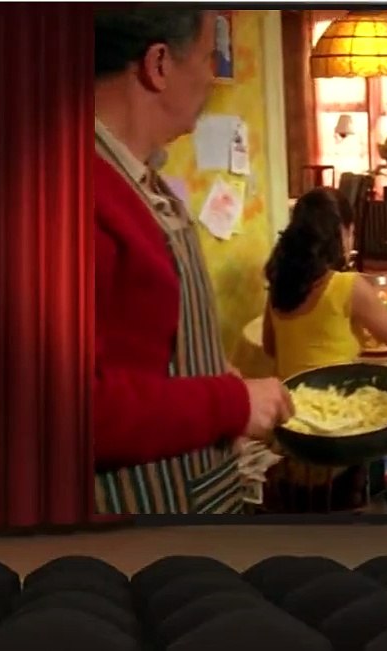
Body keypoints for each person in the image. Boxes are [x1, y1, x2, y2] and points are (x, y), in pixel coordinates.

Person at [94, 8, 294, 514]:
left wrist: (211, 371)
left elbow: (136, 343)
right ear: (159, 64)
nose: (212, 78)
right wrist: (232, 403)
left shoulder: (136, 179)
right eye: (209, 58)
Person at [263, 187, 387, 514]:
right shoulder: (346, 286)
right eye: (351, 230)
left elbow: (270, 346)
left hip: (291, 445)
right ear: (342, 232)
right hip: (343, 459)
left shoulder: (280, 285)